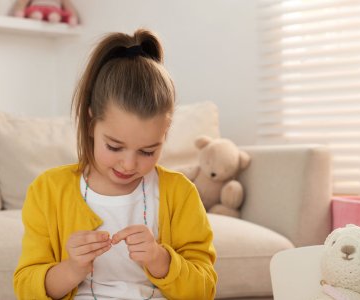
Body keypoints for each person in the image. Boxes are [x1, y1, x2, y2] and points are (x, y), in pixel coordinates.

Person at [13, 28, 217, 300]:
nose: (129, 164)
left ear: (164, 136)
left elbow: (204, 290)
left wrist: (160, 259)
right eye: (114, 146)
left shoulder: (179, 193)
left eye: (147, 151)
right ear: (90, 123)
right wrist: (71, 269)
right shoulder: (48, 190)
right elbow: (26, 288)